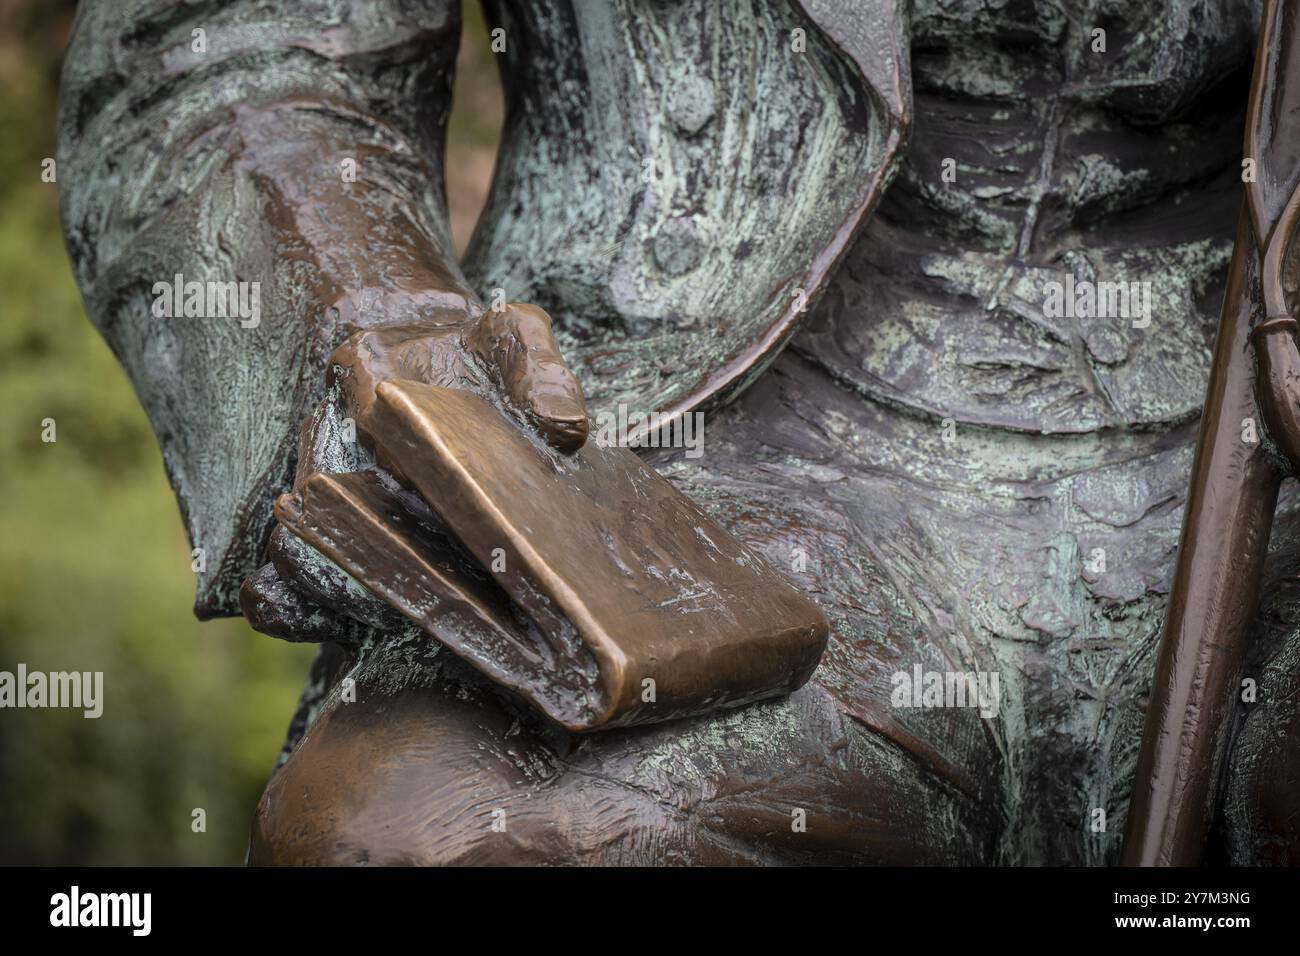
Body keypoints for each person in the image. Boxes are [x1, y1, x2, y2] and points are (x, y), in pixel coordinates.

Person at [59, 0, 1298, 864]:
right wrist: (372, 319)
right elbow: (234, 47)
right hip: (700, 450)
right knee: (446, 828)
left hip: (1264, 438)